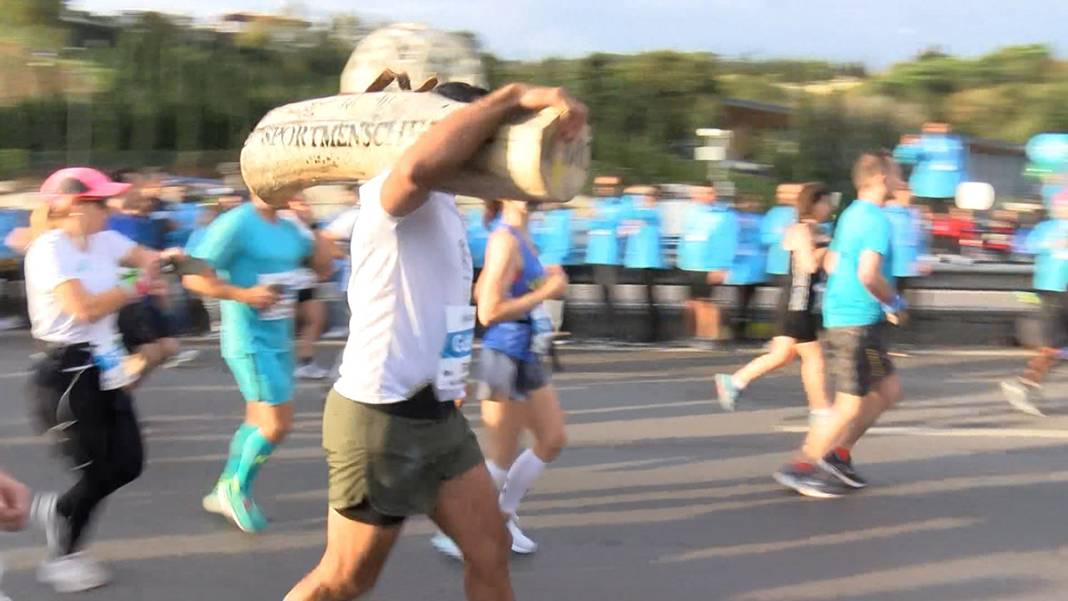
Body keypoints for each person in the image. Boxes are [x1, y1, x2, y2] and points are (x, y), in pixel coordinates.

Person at [285, 81, 586, 601]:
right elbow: (416, 169)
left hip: (438, 416)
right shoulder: (392, 192)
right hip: (379, 419)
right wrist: (512, 97)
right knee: (345, 579)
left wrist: (447, 375)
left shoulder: (447, 206)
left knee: (490, 552)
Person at [23, 167, 159, 592]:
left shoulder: (106, 240)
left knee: (129, 462)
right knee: (98, 469)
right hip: (66, 373)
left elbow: (147, 259)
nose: (109, 209)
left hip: (106, 363)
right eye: (100, 203)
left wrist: (148, 268)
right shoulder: (49, 250)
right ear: (73, 206)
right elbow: (83, 309)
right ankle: (62, 556)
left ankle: (60, 512)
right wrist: (133, 285)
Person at [181, 190, 333, 533]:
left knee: (257, 420)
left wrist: (310, 225)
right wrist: (243, 294)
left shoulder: (290, 227)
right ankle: (235, 489)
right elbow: (191, 274)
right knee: (277, 424)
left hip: (280, 339)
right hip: (248, 339)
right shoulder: (236, 222)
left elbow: (324, 267)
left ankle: (224, 488)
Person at [431, 198, 569, 559]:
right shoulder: (504, 239)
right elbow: (488, 310)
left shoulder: (523, 236)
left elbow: (481, 289)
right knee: (501, 456)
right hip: (504, 355)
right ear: (505, 193)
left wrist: (542, 285)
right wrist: (546, 291)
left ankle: (502, 517)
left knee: (552, 438)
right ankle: (458, 529)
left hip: (527, 352)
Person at [773, 152, 907, 498]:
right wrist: (893, 302)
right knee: (849, 404)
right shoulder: (875, 220)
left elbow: (833, 261)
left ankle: (838, 454)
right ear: (880, 179)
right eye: (896, 174)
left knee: (888, 391)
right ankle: (802, 466)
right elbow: (868, 274)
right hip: (854, 322)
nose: (901, 180)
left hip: (856, 317)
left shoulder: (851, 213)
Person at [716, 183, 834, 417]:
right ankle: (821, 410)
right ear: (815, 203)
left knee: (784, 355)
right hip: (796, 301)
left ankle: (735, 381)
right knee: (813, 357)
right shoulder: (800, 230)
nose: (829, 207)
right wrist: (829, 248)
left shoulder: (818, 230)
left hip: (804, 301)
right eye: (826, 202)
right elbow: (809, 265)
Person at [1000, 190, 1068, 416]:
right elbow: (1024, 245)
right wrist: (1053, 244)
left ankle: (1027, 383)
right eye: (1062, 206)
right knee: (1055, 346)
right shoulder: (1046, 228)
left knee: (1059, 348)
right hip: (1053, 290)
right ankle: (1024, 383)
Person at [677, 183, 736, 347]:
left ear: (714, 195)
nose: (702, 196)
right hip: (690, 265)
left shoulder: (723, 215)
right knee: (695, 302)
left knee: (707, 303)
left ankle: (711, 336)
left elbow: (728, 243)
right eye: (699, 192)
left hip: (710, 266)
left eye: (708, 193)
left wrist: (722, 266)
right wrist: (682, 260)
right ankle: (700, 335)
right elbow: (685, 238)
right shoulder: (690, 212)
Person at [283, 194, 332, 380]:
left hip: (305, 281)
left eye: (305, 203)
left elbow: (323, 252)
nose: (304, 206)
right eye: (298, 202)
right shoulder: (282, 220)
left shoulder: (309, 225)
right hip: (285, 283)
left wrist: (313, 225)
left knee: (316, 318)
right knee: (285, 325)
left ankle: (306, 362)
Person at [621, 186, 665, 343]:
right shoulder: (642, 213)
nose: (645, 199)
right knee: (645, 298)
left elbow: (632, 214)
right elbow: (626, 227)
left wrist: (628, 195)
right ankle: (647, 331)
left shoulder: (654, 213)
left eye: (648, 197)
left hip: (649, 261)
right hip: (639, 261)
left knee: (650, 297)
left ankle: (654, 332)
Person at [584, 177, 628, 331]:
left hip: (610, 253)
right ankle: (604, 324)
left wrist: (600, 221)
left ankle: (613, 324)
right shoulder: (595, 204)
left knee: (610, 289)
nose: (604, 189)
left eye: (608, 186)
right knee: (601, 289)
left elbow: (619, 226)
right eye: (601, 186)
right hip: (596, 253)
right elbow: (590, 224)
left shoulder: (620, 205)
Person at [725, 196, 767, 340]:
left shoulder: (734, 219)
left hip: (744, 268)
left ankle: (739, 331)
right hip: (750, 268)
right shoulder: (759, 220)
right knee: (745, 302)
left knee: (742, 301)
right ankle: (740, 331)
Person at [884, 184, 930, 296]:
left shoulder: (913, 214)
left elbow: (920, 239)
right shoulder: (885, 214)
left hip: (905, 268)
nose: (910, 195)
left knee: (897, 297)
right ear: (896, 193)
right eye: (906, 192)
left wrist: (922, 259)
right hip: (889, 267)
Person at [761, 185, 799, 281]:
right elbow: (764, 238)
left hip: (793, 266)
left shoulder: (799, 213)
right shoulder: (773, 213)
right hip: (778, 267)